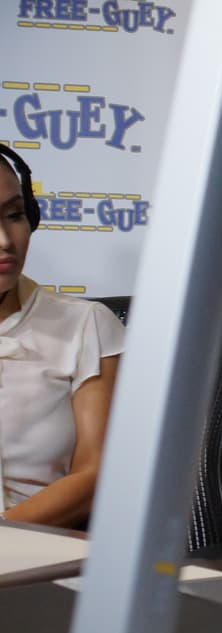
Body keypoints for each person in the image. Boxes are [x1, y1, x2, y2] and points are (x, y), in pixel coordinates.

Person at [0, 146, 124, 528]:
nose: (6, 240)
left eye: (15, 215)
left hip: (39, 554)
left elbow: (94, 475)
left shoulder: (85, 324)